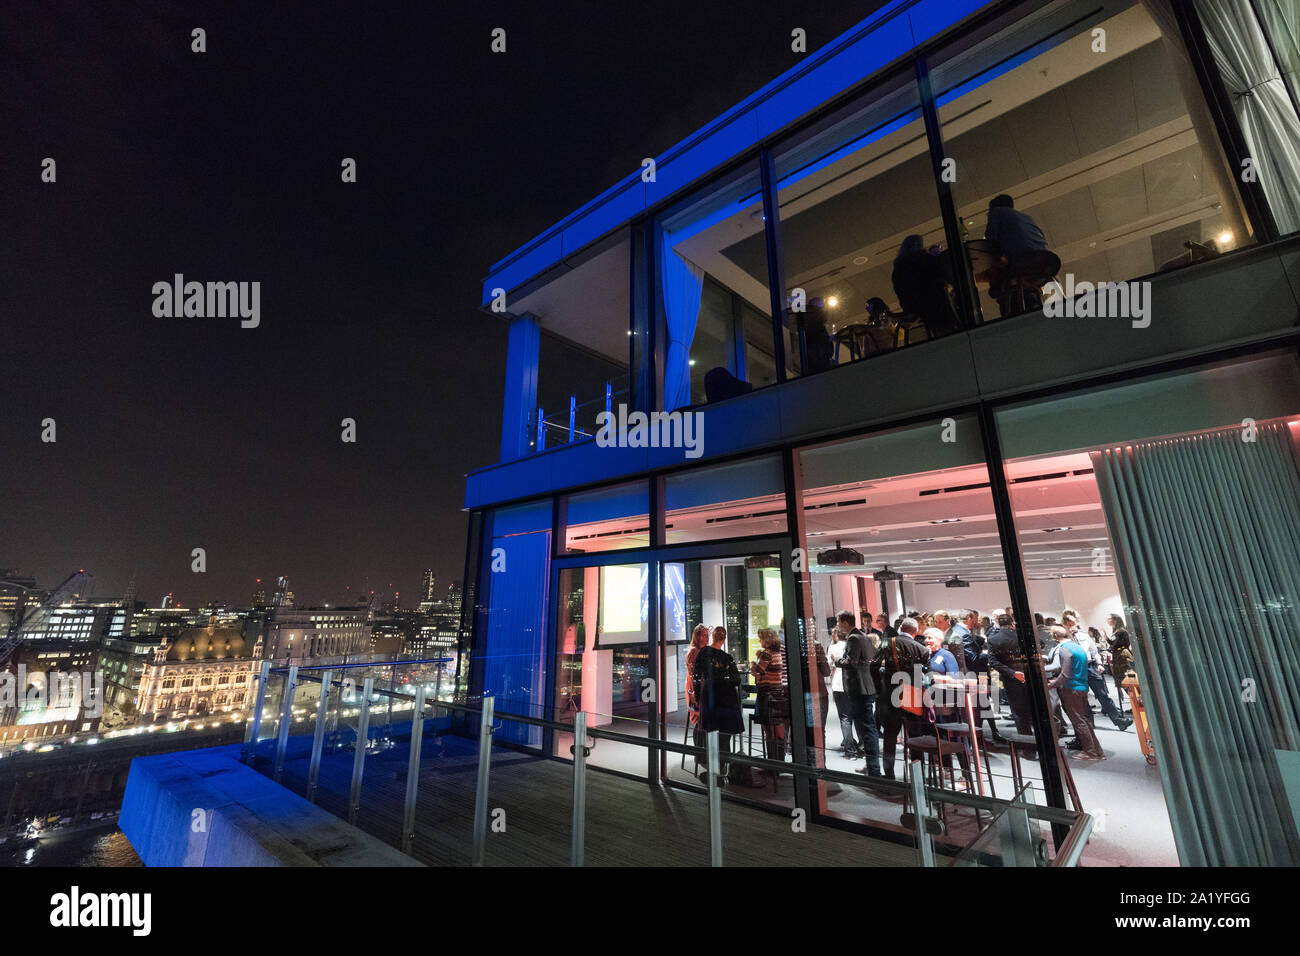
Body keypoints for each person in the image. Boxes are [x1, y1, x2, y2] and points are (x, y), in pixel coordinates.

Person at [872, 617, 931, 779]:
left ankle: (889, 775)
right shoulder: (922, 649)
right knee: (915, 737)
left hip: (889, 695)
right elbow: (927, 676)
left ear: (901, 628)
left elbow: (873, 665)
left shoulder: (887, 643)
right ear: (915, 631)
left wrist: (879, 688)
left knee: (890, 737)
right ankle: (918, 776)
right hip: (913, 696)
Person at [692, 626, 745, 786]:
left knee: (712, 733)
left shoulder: (703, 653)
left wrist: (698, 694)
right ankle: (722, 769)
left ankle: (714, 768)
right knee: (725, 735)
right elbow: (737, 680)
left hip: (710, 699)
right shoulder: (727, 658)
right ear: (724, 639)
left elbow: (696, 675)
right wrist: (724, 679)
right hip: (727, 700)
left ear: (713, 637)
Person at [983, 194, 1050, 314]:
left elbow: (990, 239)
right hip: (1046, 262)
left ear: (993, 207)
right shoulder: (1027, 217)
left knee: (997, 272)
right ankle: (1029, 296)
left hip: (1023, 260)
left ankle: (1007, 304)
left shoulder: (996, 213)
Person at [1066, 611, 1131, 731]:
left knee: (1102, 694)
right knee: (1082, 697)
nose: (1073, 626)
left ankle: (1119, 720)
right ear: (1065, 625)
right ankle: (1089, 723)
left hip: (1090, 667)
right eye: (1069, 624)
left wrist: (1099, 663)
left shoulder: (1084, 636)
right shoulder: (1066, 639)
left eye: (1074, 623)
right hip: (1076, 669)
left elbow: (1093, 650)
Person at [835, 610, 882, 776]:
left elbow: (851, 662)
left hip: (860, 689)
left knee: (867, 730)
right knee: (867, 729)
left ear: (845, 622)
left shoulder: (854, 638)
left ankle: (874, 769)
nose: (838, 626)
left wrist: (837, 660)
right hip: (865, 688)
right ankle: (871, 766)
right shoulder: (862, 636)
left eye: (839, 622)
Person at [1048, 626, 1105, 760]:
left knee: (1079, 721)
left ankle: (1090, 752)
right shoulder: (1077, 647)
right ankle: (1097, 751)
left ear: (1055, 636)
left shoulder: (1064, 649)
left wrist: (1053, 684)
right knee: (1083, 720)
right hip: (1081, 687)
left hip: (1071, 688)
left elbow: (1065, 674)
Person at [891, 235, 961, 340]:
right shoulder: (923, 259)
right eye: (918, 245)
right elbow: (941, 274)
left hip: (910, 306)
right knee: (944, 290)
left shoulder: (898, 268)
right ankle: (955, 326)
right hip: (928, 304)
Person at [986, 610, 1033, 738]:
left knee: (1018, 712)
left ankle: (1027, 746)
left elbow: (993, 661)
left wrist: (1012, 673)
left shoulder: (993, 639)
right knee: (1034, 709)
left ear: (997, 623)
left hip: (1011, 678)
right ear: (1012, 622)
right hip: (1029, 675)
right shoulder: (1022, 634)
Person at [751, 628, 790, 763]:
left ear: (766, 639)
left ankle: (772, 763)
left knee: (768, 729)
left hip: (766, 695)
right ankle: (779, 761)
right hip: (777, 693)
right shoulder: (777, 653)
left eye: (761, 638)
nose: (760, 641)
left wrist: (753, 664)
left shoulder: (766, 654)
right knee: (777, 728)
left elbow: (756, 672)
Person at [828, 623, 861, 758]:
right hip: (853, 684)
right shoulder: (852, 646)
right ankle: (861, 744)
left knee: (845, 717)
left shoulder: (833, 648)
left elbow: (829, 665)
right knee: (857, 715)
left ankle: (849, 748)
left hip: (838, 684)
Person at [685, 623, 710, 731]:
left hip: (702, 687)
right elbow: (695, 675)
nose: (707, 638)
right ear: (697, 636)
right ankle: (700, 746)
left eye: (707, 635)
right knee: (700, 721)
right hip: (695, 689)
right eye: (704, 635)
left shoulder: (705, 650)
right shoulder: (694, 651)